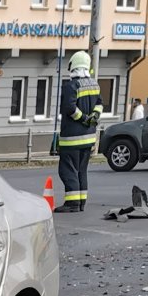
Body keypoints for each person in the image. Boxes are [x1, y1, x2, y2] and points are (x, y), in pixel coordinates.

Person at [55, 51, 102, 213]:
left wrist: (82, 118)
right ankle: (81, 202)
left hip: (72, 138)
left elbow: (69, 108)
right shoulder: (95, 84)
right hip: (88, 138)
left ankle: (72, 203)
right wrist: (93, 117)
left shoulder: (71, 86)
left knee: (67, 170)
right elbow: (100, 104)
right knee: (82, 170)